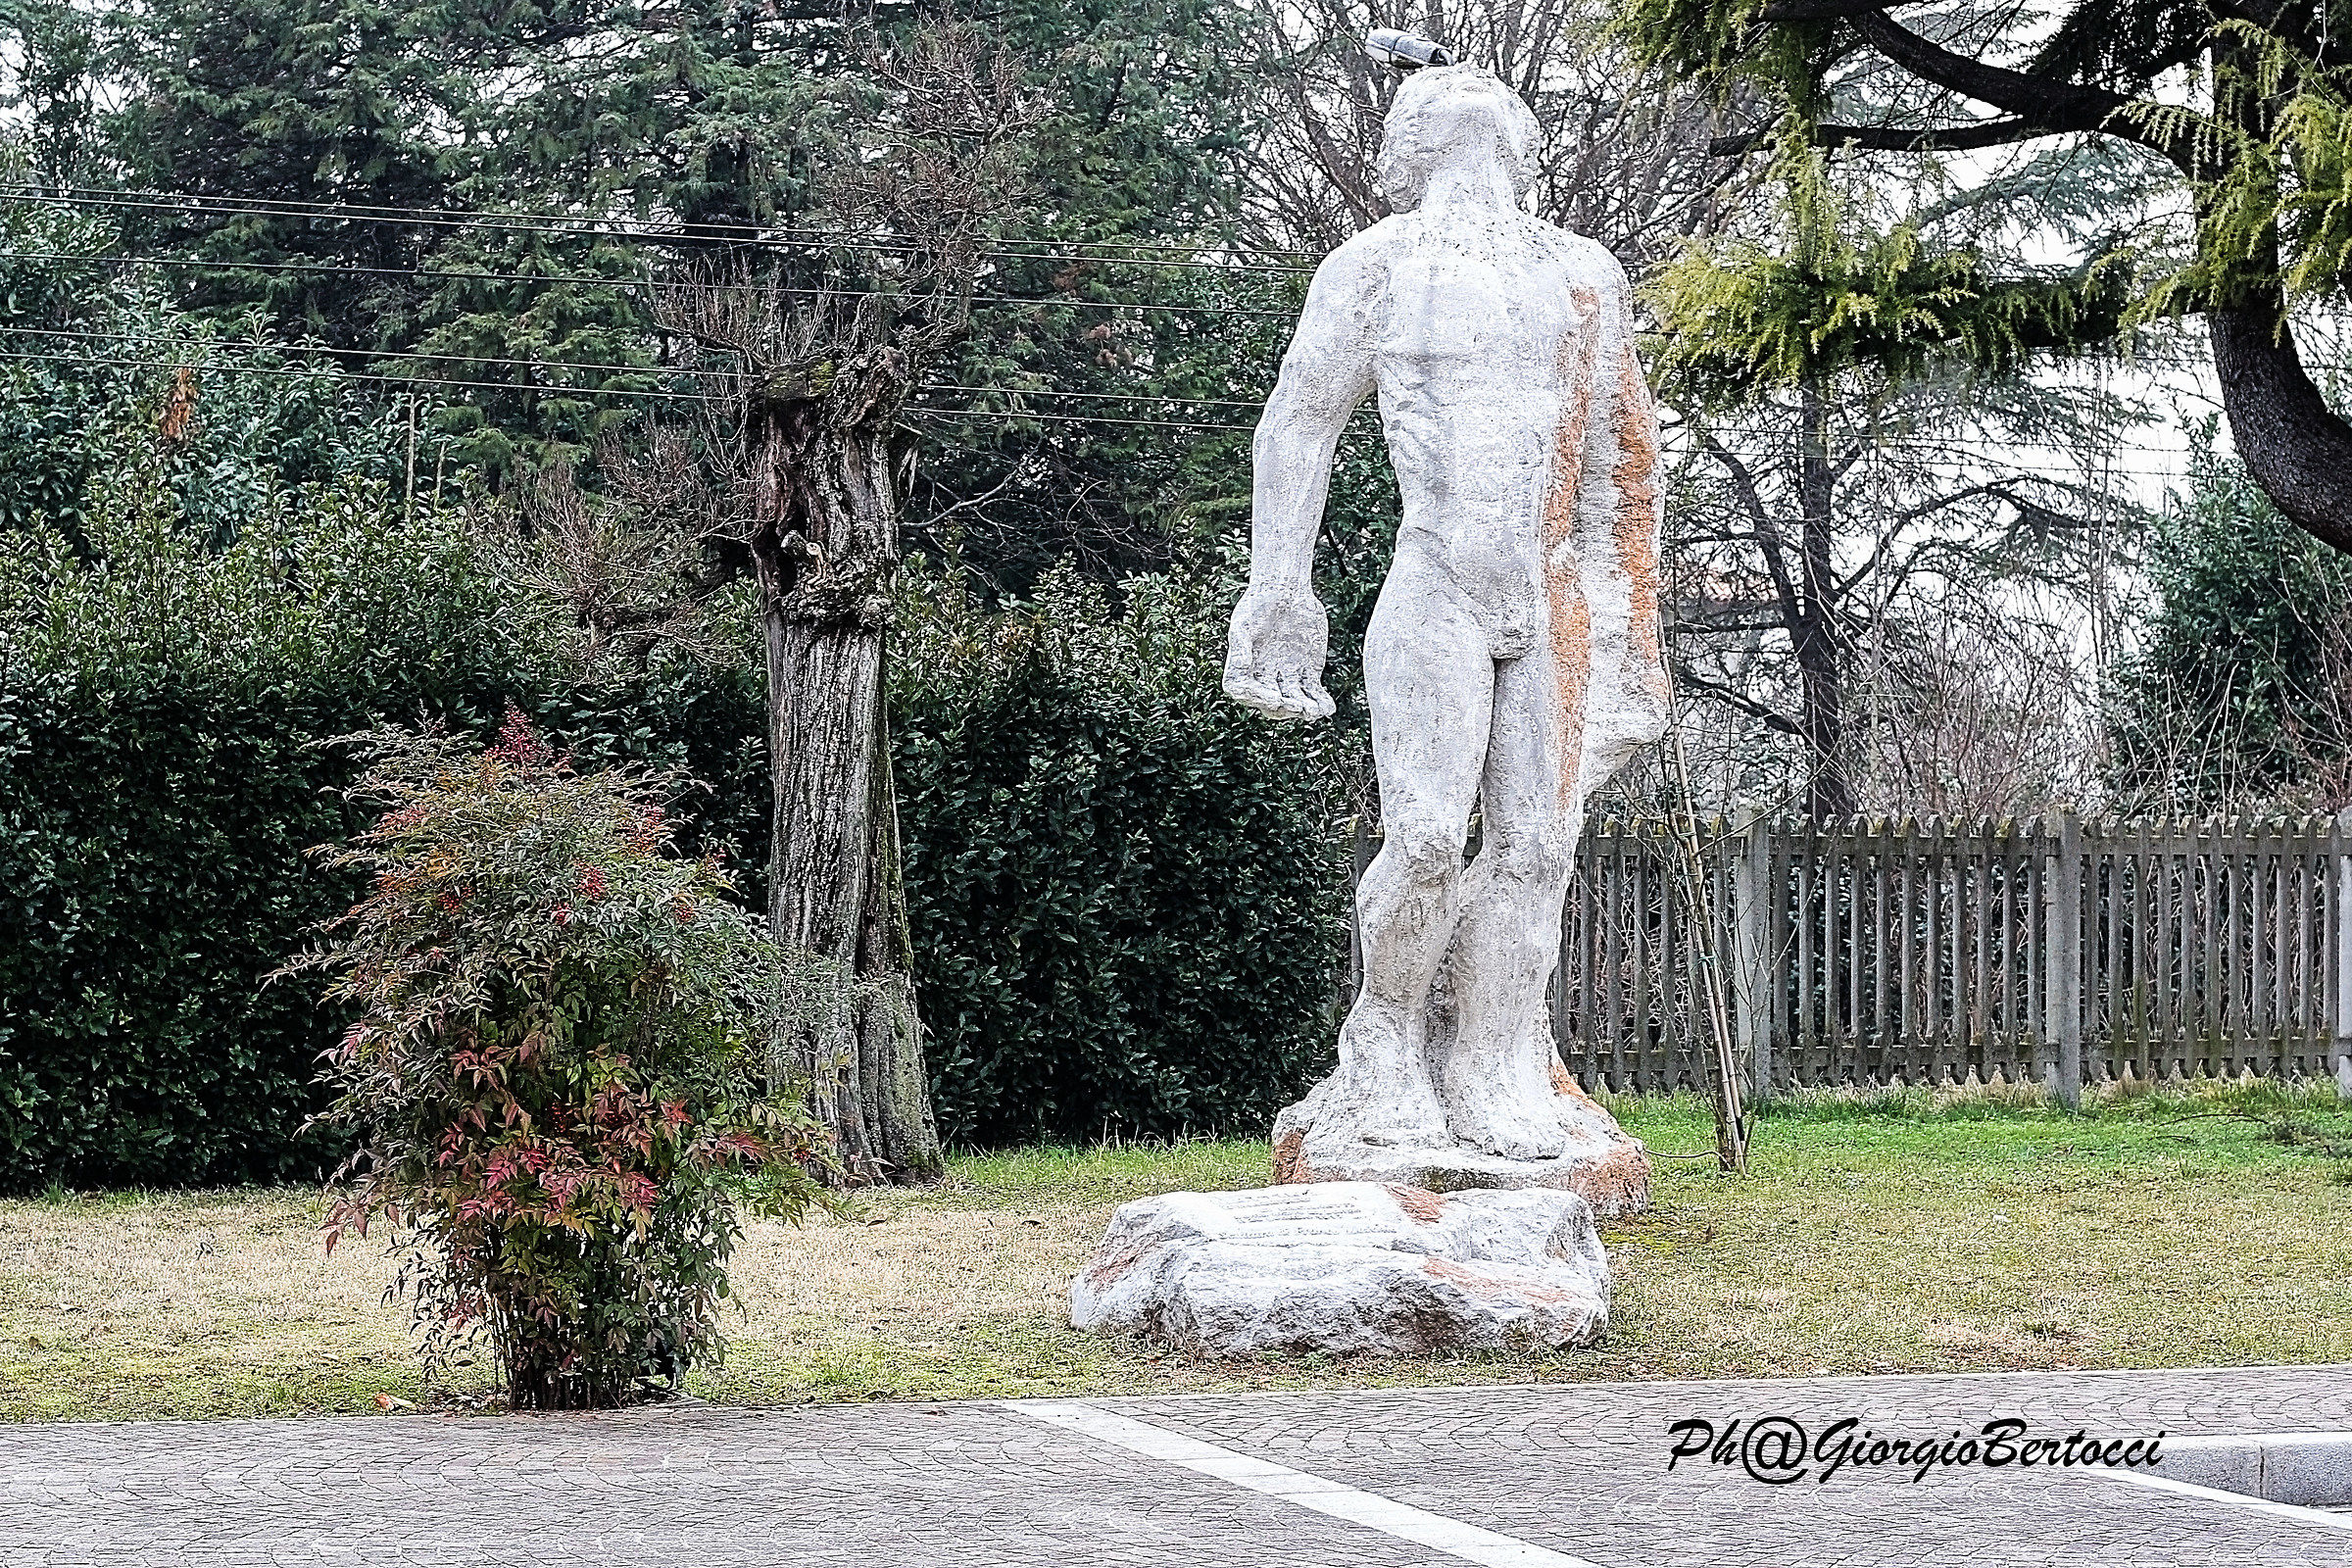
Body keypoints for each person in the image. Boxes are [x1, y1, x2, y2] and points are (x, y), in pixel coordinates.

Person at [1224, 62, 1669, 1163]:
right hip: (1435, 586)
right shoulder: (1375, 265)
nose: (1468, 103)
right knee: (1425, 840)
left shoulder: (1582, 274)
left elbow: (1627, 463)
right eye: (1439, 103)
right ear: (1403, 152)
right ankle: (1382, 1038)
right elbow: (1296, 426)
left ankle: (1492, 1057)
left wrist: (1632, 649)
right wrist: (1278, 588)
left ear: (1524, 141)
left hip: (1553, 598)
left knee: (1535, 848)